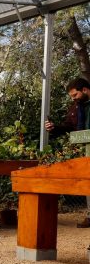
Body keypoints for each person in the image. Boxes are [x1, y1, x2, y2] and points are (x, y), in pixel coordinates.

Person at [46, 77, 90, 228]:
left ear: (84, 90)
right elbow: (68, 126)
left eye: (75, 95)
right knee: (87, 181)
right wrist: (54, 127)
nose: (73, 99)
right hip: (86, 149)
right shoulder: (76, 107)